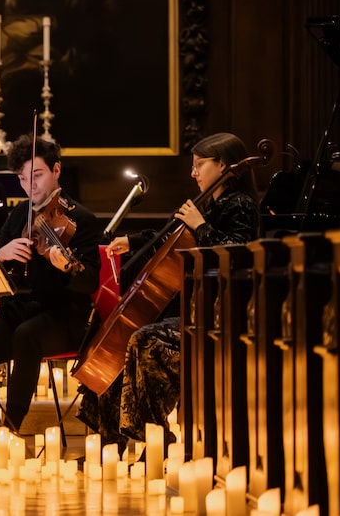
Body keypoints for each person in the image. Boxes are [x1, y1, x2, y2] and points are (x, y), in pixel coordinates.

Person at [77, 132, 260, 446]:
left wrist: (200, 225)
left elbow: (237, 255)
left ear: (223, 164)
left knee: (144, 340)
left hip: (220, 316)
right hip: (193, 309)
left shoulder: (240, 205)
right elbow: (172, 237)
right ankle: (110, 439)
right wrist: (132, 240)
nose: (193, 173)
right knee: (120, 340)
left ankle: (157, 437)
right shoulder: (207, 203)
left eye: (199, 165)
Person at [0, 134, 102, 431]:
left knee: (26, 337)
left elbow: (89, 282)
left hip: (65, 314)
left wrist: (67, 267)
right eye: (23, 178)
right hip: (22, 309)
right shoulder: (18, 214)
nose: (30, 185)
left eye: (37, 175)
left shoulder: (83, 220)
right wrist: (1, 254)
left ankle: (11, 426)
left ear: (56, 171)